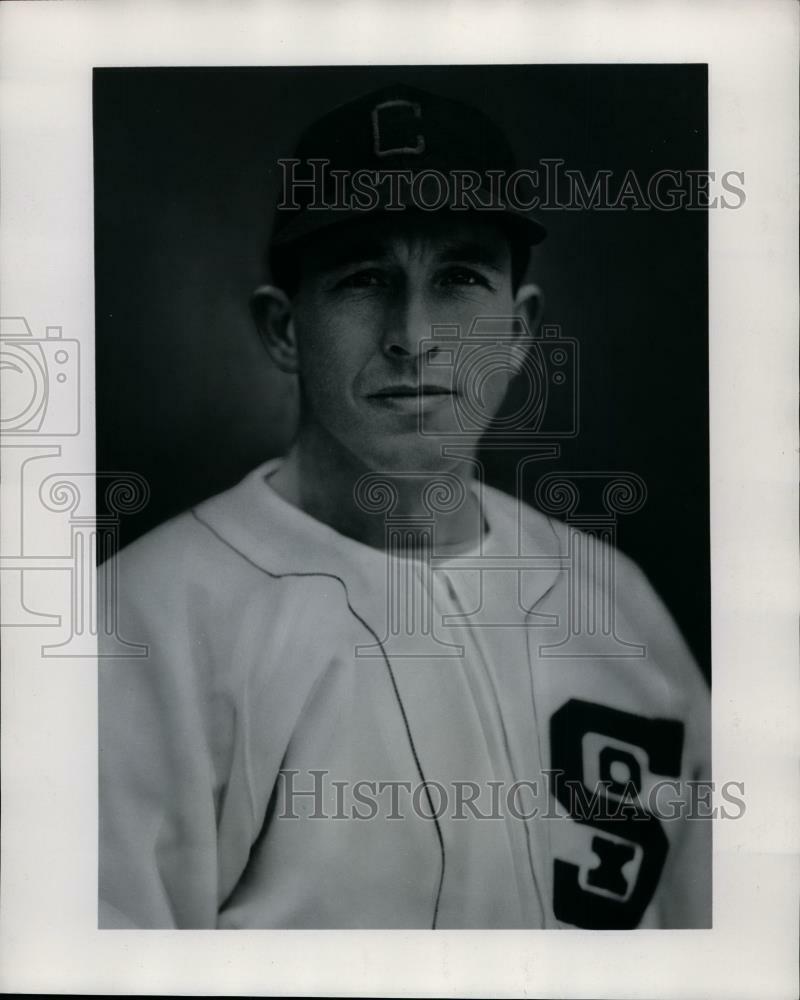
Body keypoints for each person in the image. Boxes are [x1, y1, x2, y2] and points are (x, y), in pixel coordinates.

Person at [98, 83, 711, 930]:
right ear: (283, 330)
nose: (415, 333)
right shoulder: (140, 623)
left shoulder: (615, 599)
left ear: (520, 327)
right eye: (363, 279)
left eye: (458, 276)